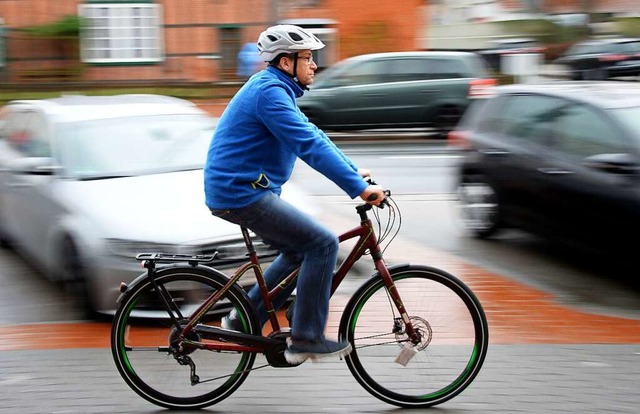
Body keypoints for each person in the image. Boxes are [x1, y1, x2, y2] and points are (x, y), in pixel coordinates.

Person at [204, 24, 385, 364]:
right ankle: (306, 338)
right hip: (240, 193)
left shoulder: (275, 89)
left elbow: (312, 133)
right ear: (287, 62)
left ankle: (244, 316)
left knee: (299, 250)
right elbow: (308, 145)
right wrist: (358, 189)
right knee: (322, 244)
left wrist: (353, 171)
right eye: (308, 57)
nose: (315, 64)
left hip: (243, 189)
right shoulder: (269, 93)